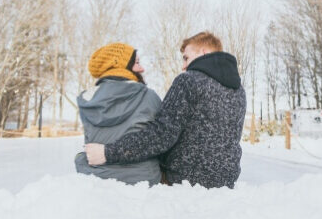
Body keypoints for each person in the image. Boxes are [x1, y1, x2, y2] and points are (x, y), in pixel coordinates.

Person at [85, 31, 246, 188]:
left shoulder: (188, 80)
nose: (183, 66)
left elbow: (161, 135)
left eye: (186, 58)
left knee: (134, 172)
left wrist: (108, 152)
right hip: (226, 180)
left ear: (204, 53)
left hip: (183, 180)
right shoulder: (238, 90)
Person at [75, 43, 162, 186]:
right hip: (143, 183)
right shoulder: (148, 97)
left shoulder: (87, 100)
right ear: (121, 66)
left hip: (97, 181)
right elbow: (162, 140)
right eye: (137, 63)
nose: (142, 69)